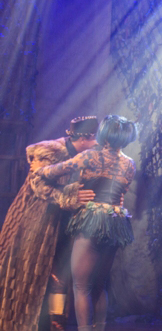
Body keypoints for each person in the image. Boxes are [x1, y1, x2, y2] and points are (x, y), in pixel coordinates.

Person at [35, 115, 138, 331]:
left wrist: (39, 169)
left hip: (91, 221)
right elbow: (121, 194)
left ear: (104, 134)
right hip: (115, 222)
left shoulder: (90, 156)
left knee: (81, 286)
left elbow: (55, 171)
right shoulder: (130, 164)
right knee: (100, 286)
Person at [0, 116, 99, 331]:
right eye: (93, 138)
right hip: (34, 222)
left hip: (62, 224)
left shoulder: (86, 157)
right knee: (28, 278)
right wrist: (69, 196)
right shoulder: (51, 152)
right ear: (83, 139)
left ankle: (56, 324)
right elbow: (38, 185)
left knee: (60, 279)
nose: (96, 143)